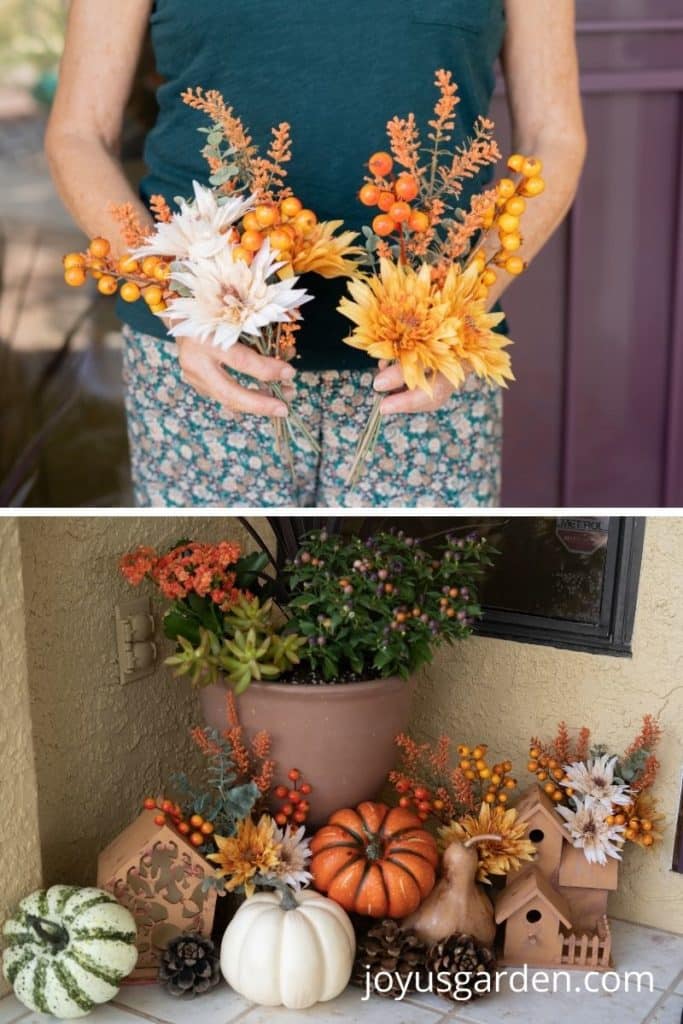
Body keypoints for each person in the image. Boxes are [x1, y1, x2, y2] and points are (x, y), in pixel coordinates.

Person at [46, 0, 586, 508]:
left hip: (427, 371)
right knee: (214, 593)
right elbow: (78, 132)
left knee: (408, 589)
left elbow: (554, 136)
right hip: (205, 362)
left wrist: (463, 304)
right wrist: (180, 300)